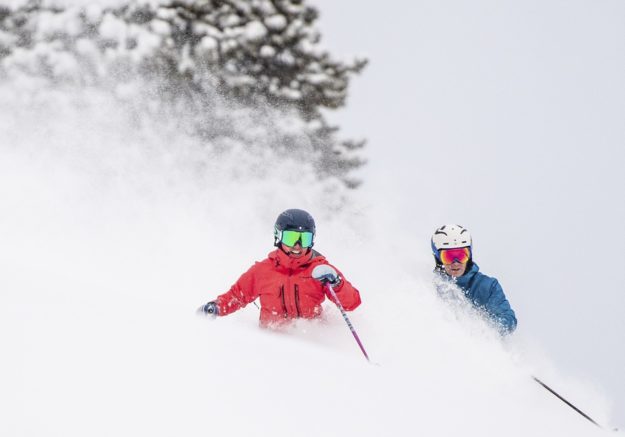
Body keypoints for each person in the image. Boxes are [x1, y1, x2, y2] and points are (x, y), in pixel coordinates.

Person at [197, 208, 361, 327]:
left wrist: (337, 284)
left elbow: (352, 303)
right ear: (278, 236)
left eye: (304, 238)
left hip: (311, 346)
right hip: (270, 346)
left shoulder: (320, 270)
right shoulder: (263, 271)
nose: (297, 245)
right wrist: (216, 307)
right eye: (291, 238)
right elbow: (238, 295)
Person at [431, 224, 517, 334]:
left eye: (462, 255)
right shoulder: (430, 287)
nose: (456, 263)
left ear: (469, 256)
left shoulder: (487, 286)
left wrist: (482, 331)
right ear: (438, 258)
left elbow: (508, 319)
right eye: (448, 257)